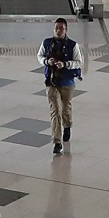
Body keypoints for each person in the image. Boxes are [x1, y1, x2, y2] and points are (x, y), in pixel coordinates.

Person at [37, 18, 83, 155]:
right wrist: (47, 61)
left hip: (67, 83)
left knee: (66, 109)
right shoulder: (47, 43)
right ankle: (57, 141)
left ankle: (67, 125)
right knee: (55, 111)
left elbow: (79, 62)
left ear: (66, 30)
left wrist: (66, 64)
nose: (58, 31)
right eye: (56, 28)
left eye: (61, 28)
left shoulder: (73, 45)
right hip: (51, 82)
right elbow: (39, 56)